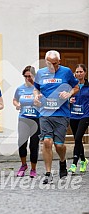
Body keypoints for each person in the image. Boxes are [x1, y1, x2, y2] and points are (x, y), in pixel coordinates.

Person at [34, 50, 79, 184]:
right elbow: (36, 88)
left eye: (54, 63)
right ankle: (48, 173)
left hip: (61, 113)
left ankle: (62, 161)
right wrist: (36, 96)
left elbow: (76, 87)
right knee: (47, 142)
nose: (52, 66)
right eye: (49, 63)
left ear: (59, 61)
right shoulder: (41, 73)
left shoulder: (66, 72)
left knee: (59, 145)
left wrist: (69, 93)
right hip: (45, 113)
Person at [13, 65, 40, 178]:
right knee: (22, 143)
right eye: (26, 76)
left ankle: (33, 169)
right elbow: (15, 100)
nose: (28, 78)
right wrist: (17, 105)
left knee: (34, 145)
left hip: (36, 119)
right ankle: (23, 165)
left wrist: (39, 102)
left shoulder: (38, 88)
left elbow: (44, 102)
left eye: (30, 76)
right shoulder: (20, 89)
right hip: (23, 118)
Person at [68, 64, 89, 173]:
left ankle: (74, 164)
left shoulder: (88, 86)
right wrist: (69, 100)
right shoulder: (72, 86)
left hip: (85, 115)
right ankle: (84, 160)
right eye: (77, 72)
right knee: (78, 139)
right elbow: (65, 97)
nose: (79, 74)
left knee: (77, 138)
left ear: (85, 73)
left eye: (81, 71)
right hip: (73, 115)